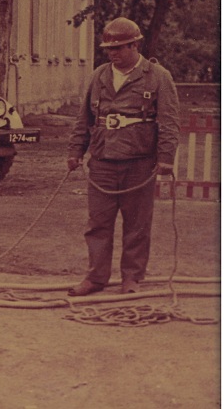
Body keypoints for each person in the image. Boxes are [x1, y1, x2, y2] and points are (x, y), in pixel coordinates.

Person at [67, 17, 180, 296]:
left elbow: (169, 121)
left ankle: (132, 278)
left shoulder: (157, 76)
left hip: (139, 162)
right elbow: (84, 118)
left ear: (135, 45)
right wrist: (75, 151)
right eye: (109, 49)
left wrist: (166, 157)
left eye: (118, 48)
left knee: (137, 225)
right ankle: (96, 278)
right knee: (98, 223)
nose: (112, 53)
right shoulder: (99, 75)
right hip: (102, 161)